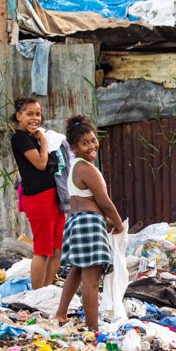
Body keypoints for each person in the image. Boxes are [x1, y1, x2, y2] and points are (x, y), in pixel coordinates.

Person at [55, 115, 122, 333]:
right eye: (85, 143)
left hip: (77, 221)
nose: (92, 146)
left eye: (93, 140)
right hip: (88, 223)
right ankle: (93, 328)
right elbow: (103, 201)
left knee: (78, 268)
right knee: (91, 278)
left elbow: (88, 201)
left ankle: (61, 313)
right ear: (74, 148)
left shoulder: (77, 167)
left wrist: (108, 220)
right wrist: (119, 223)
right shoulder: (86, 169)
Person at [9, 96, 67, 289]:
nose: (35, 118)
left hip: (54, 196)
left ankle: (47, 288)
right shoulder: (20, 138)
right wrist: (43, 139)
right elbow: (41, 164)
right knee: (42, 250)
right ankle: (37, 293)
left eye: (38, 114)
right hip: (39, 198)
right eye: (29, 114)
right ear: (19, 116)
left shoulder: (32, 137)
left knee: (56, 248)